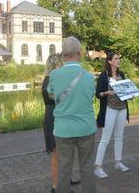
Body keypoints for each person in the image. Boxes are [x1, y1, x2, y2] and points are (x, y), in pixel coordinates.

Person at [47, 36, 97, 193]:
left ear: (63, 54)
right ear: (79, 53)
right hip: (86, 128)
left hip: (63, 130)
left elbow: (51, 95)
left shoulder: (54, 75)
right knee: (87, 169)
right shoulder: (89, 76)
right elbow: (90, 97)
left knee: (64, 170)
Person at [42, 53, 81, 192]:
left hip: (60, 117)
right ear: (56, 65)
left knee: (66, 153)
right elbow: (57, 98)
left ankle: (66, 180)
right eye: (61, 64)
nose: (64, 66)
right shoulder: (49, 80)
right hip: (53, 119)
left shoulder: (53, 79)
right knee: (56, 154)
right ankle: (56, 187)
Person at [94, 52, 131, 179]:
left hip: (122, 109)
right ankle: (98, 167)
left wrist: (130, 94)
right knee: (105, 138)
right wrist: (106, 93)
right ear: (109, 61)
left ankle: (118, 162)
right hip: (109, 109)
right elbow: (97, 94)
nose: (118, 60)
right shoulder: (104, 76)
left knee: (119, 136)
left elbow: (125, 92)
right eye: (116, 58)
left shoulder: (122, 75)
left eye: (118, 58)